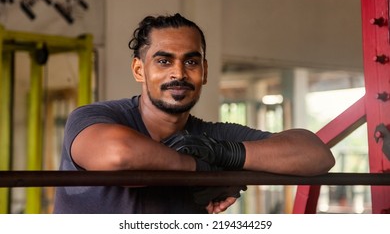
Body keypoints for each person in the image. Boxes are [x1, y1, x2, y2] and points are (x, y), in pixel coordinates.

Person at [53, 13, 335, 214]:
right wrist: (206, 171)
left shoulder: (213, 138)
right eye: (163, 61)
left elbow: (316, 155)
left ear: (205, 72)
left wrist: (226, 155)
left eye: (191, 61)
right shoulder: (94, 117)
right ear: (140, 70)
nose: (178, 73)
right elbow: (120, 156)